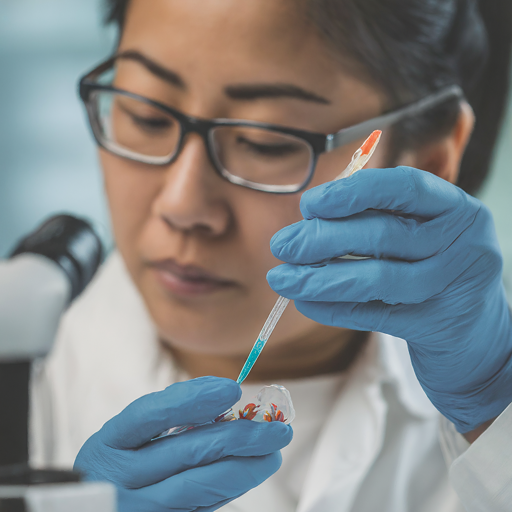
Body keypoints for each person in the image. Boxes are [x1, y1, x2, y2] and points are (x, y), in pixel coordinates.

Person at [30, 0, 512, 510]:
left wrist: (492, 415)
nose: (181, 204)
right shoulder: (25, 377)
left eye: (265, 142)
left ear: (427, 165)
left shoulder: (485, 399)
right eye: (146, 114)